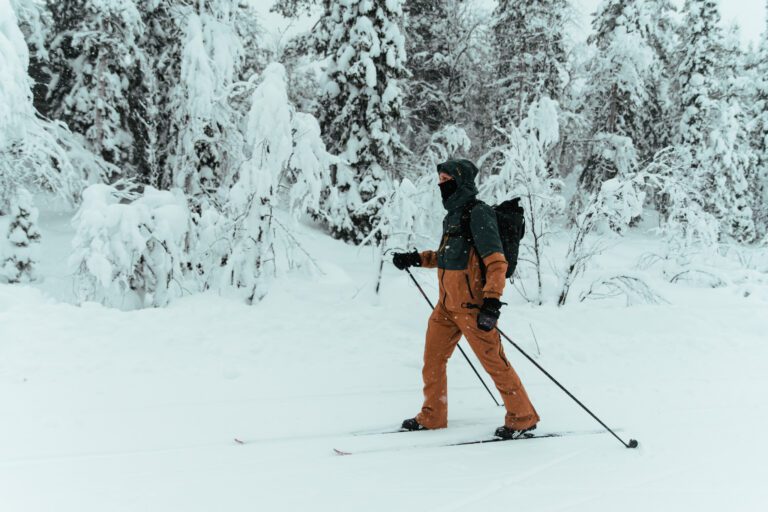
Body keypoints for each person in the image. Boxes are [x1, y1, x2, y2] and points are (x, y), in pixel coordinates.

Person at [392, 159, 540, 439]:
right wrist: (415, 258)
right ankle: (433, 415)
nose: (442, 185)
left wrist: (492, 302)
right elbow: (447, 258)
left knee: (494, 363)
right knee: (432, 361)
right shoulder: (452, 216)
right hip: (446, 307)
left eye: (447, 180)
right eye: (440, 180)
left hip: (472, 308)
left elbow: (496, 262)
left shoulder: (478, 213)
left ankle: (523, 418)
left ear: (461, 181)